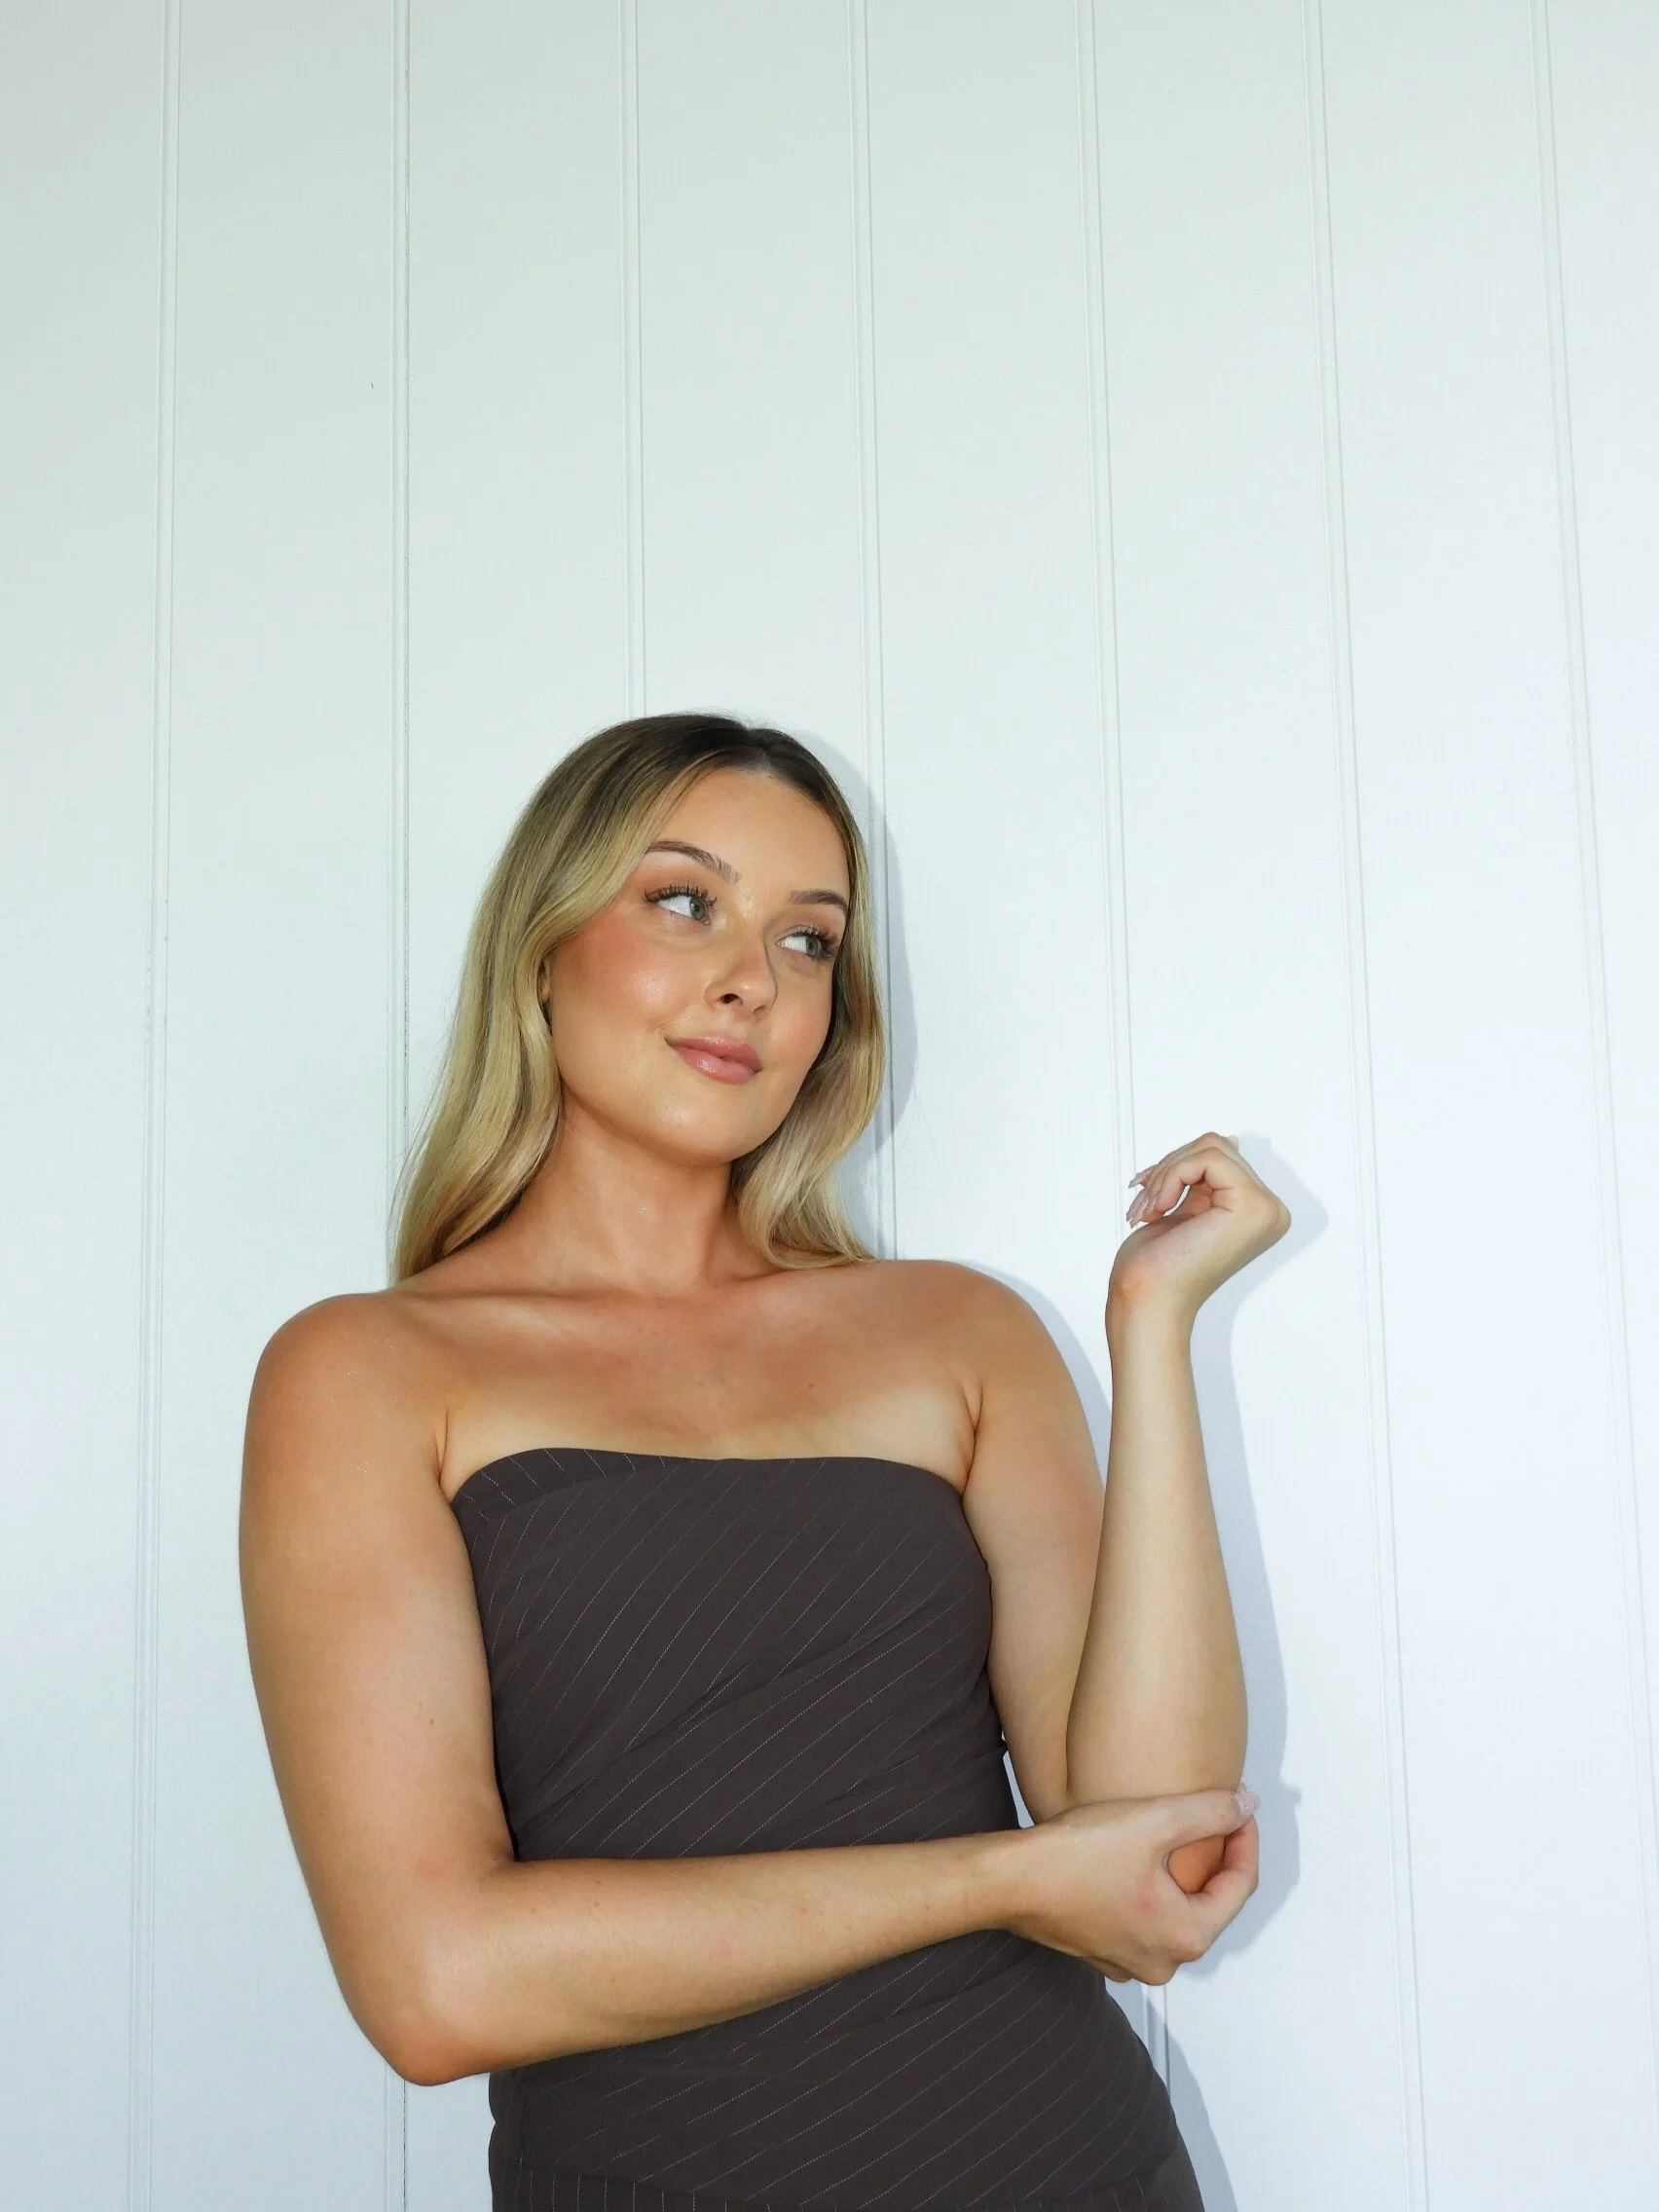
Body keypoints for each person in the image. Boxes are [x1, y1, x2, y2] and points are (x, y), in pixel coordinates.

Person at [240, 712, 1287, 2212]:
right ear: (540, 951)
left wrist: (1155, 1327)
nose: (754, 978)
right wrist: (997, 1878)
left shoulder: (958, 1334)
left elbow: (1160, 1863)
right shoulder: (367, 1375)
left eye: (809, 941)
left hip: (1067, 2164)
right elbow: (435, 1988)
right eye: (686, 902)